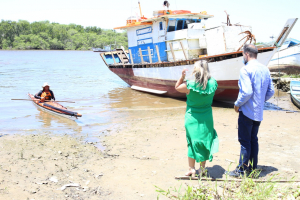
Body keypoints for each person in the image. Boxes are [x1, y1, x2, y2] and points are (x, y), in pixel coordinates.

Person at [227, 44, 274, 177]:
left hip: (247, 111)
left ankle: (242, 170)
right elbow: (271, 91)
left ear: (246, 54)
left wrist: (237, 104)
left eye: (243, 55)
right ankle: (253, 167)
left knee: (245, 141)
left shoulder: (245, 70)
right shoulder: (265, 69)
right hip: (258, 112)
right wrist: (260, 100)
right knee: (253, 139)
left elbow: (246, 92)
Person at [175, 60, 219, 177]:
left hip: (192, 118)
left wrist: (182, 76)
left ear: (195, 70)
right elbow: (208, 84)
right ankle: (203, 169)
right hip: (207, 118)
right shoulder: (213, 83)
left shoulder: (190, 84)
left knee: (191, 141)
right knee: (204, 142)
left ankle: (191, 169)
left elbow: (177, 87)